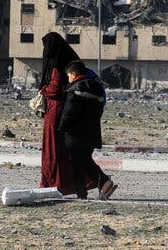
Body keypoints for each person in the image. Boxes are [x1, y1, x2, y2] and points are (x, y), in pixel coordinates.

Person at [39, 32, 96, 194]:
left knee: (53, 149)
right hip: (66, 108)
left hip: (55, 110)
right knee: (65, 149)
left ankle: (54, 184)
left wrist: (43, 89)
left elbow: (56, 89)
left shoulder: (57, 65)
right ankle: (79, 182)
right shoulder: (68, 60)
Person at [58, 60, 117, 200]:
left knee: (78, 164)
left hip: (76, 134)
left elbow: (69, 113)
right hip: (92, 132)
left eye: (68, 75)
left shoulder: (75, 90)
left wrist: (61, 129)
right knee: (83, 162)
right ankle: (87, 191)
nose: (68, 78)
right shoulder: (96, 87)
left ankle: (102, 182)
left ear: (73, 73)